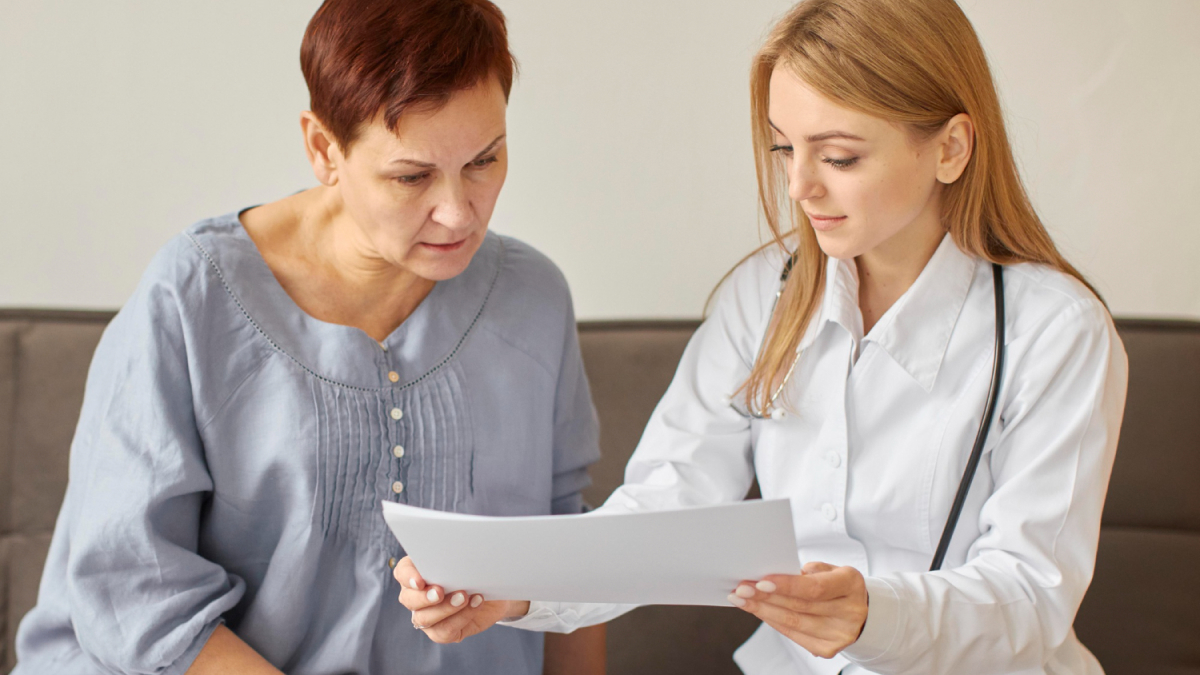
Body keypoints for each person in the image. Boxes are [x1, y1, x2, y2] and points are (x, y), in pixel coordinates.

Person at [394, 0, 1128, 673]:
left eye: (839, 156)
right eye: (784, 149)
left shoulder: (1056, 332)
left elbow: (1032, 596)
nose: (801, 186)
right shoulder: (764, 297)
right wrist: (511, 593)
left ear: (951, 149)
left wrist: (874, 612)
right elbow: (664, 507)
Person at [13, 0, 606, 673]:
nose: (457, 210)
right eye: (412, 176)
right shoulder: (192, 296)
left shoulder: (533, 299)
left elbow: (569, 554)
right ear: (324, 148)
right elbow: (130, 582)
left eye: (484, 159)